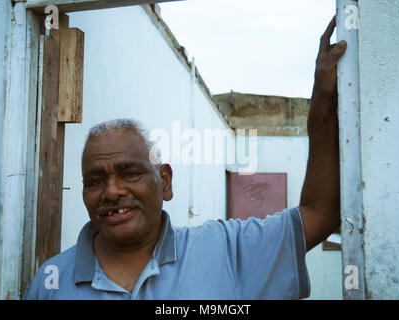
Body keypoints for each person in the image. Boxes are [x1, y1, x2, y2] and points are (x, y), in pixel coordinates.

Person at [24, 16, 346, 300]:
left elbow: (321, 214)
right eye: (95, 181)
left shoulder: (225, 250)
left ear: (164, 181)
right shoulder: (51, 282)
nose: (111, 192)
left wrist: (322, 104)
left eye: (130, 173)